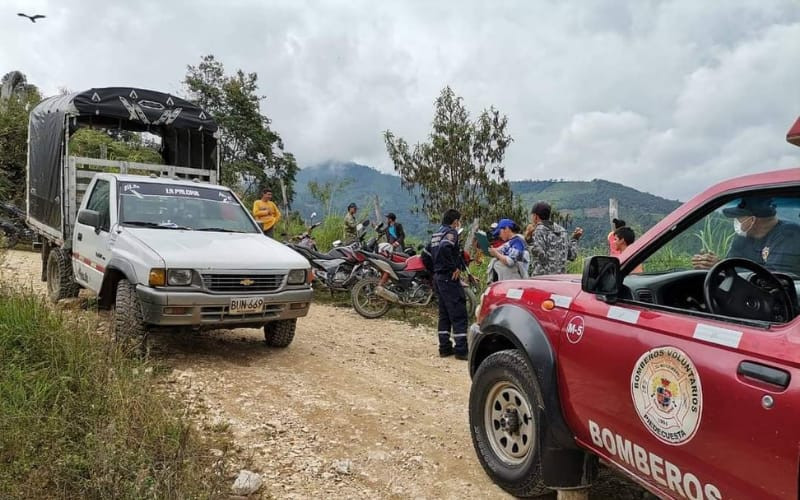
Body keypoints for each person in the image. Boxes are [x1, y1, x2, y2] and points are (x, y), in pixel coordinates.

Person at [691, 196, 800, 274]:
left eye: (738, 218)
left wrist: (722, 266)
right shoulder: (743, 238)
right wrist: (708, 264)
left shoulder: (789, 234)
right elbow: (732, 265)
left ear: (752, 220)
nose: (736, 222)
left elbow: (773, 280)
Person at [428, 208, 468, 360]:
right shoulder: (451, 233)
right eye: (459, 221)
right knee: (459, 313)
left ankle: (444, 347)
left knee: (444, 314)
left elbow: (426, 254)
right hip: (448, 278)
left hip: (438, 277)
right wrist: (454, 268)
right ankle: (461, 350)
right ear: (455, 221)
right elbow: (446, 247)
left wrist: (435, 270)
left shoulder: (436, 234)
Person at [528, 201, 583, 275]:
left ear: (535, 216)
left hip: (543, 280)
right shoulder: (562, 231)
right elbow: (572, 256)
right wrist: (574, 239)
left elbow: (541, 257)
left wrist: (529, 240)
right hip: (560, 280)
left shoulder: (538, 231)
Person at [487, 219, 530, 283]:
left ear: (507, 229)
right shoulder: (510, 242)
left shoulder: (518, 241)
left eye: (499, 232)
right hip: (509, 281)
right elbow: (499, 250)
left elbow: (510, 261)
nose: (499, 235)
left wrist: (496, 253)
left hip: (517, 282)